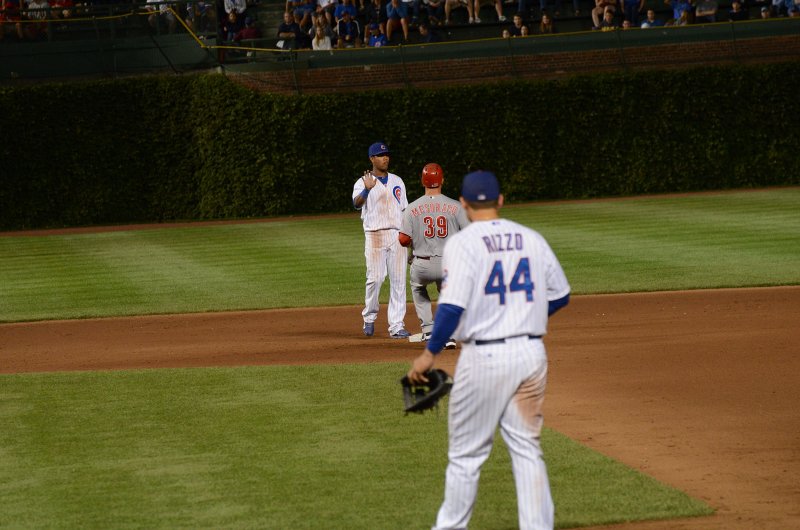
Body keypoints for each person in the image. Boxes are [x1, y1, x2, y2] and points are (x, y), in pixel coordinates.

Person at [407, 170, 570, 530]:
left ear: (463, 204)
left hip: (485, 360)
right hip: (531, 356)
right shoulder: (531, 238)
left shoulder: (464, 244)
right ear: (500, 201)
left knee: (466, 456)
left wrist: (430, 353)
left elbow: (450, 308)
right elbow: (560, 295)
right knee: (527, 449)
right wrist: (520, 315)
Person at [399, 163, 469, 347]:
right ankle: (450, 335)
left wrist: (416, 242)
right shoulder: (456, 206)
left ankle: (429, 330)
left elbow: (403, 239)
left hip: (422, 264)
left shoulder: (412, 208)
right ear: (442, 181)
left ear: (423, 181)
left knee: (418, 287)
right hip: (449, 265)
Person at [351, 142, 410, 339]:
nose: (385, 158)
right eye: (380, 155)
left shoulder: (397, 181)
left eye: (386, 155)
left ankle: (396, 325)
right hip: (375, 234)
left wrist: (409, 236)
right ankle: (369, 317)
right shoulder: (363, 181)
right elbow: (356, 204)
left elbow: (404, 210)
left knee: (399, 282)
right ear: (371, 159)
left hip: (397, 235)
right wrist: (367, 190)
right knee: (375, 279)